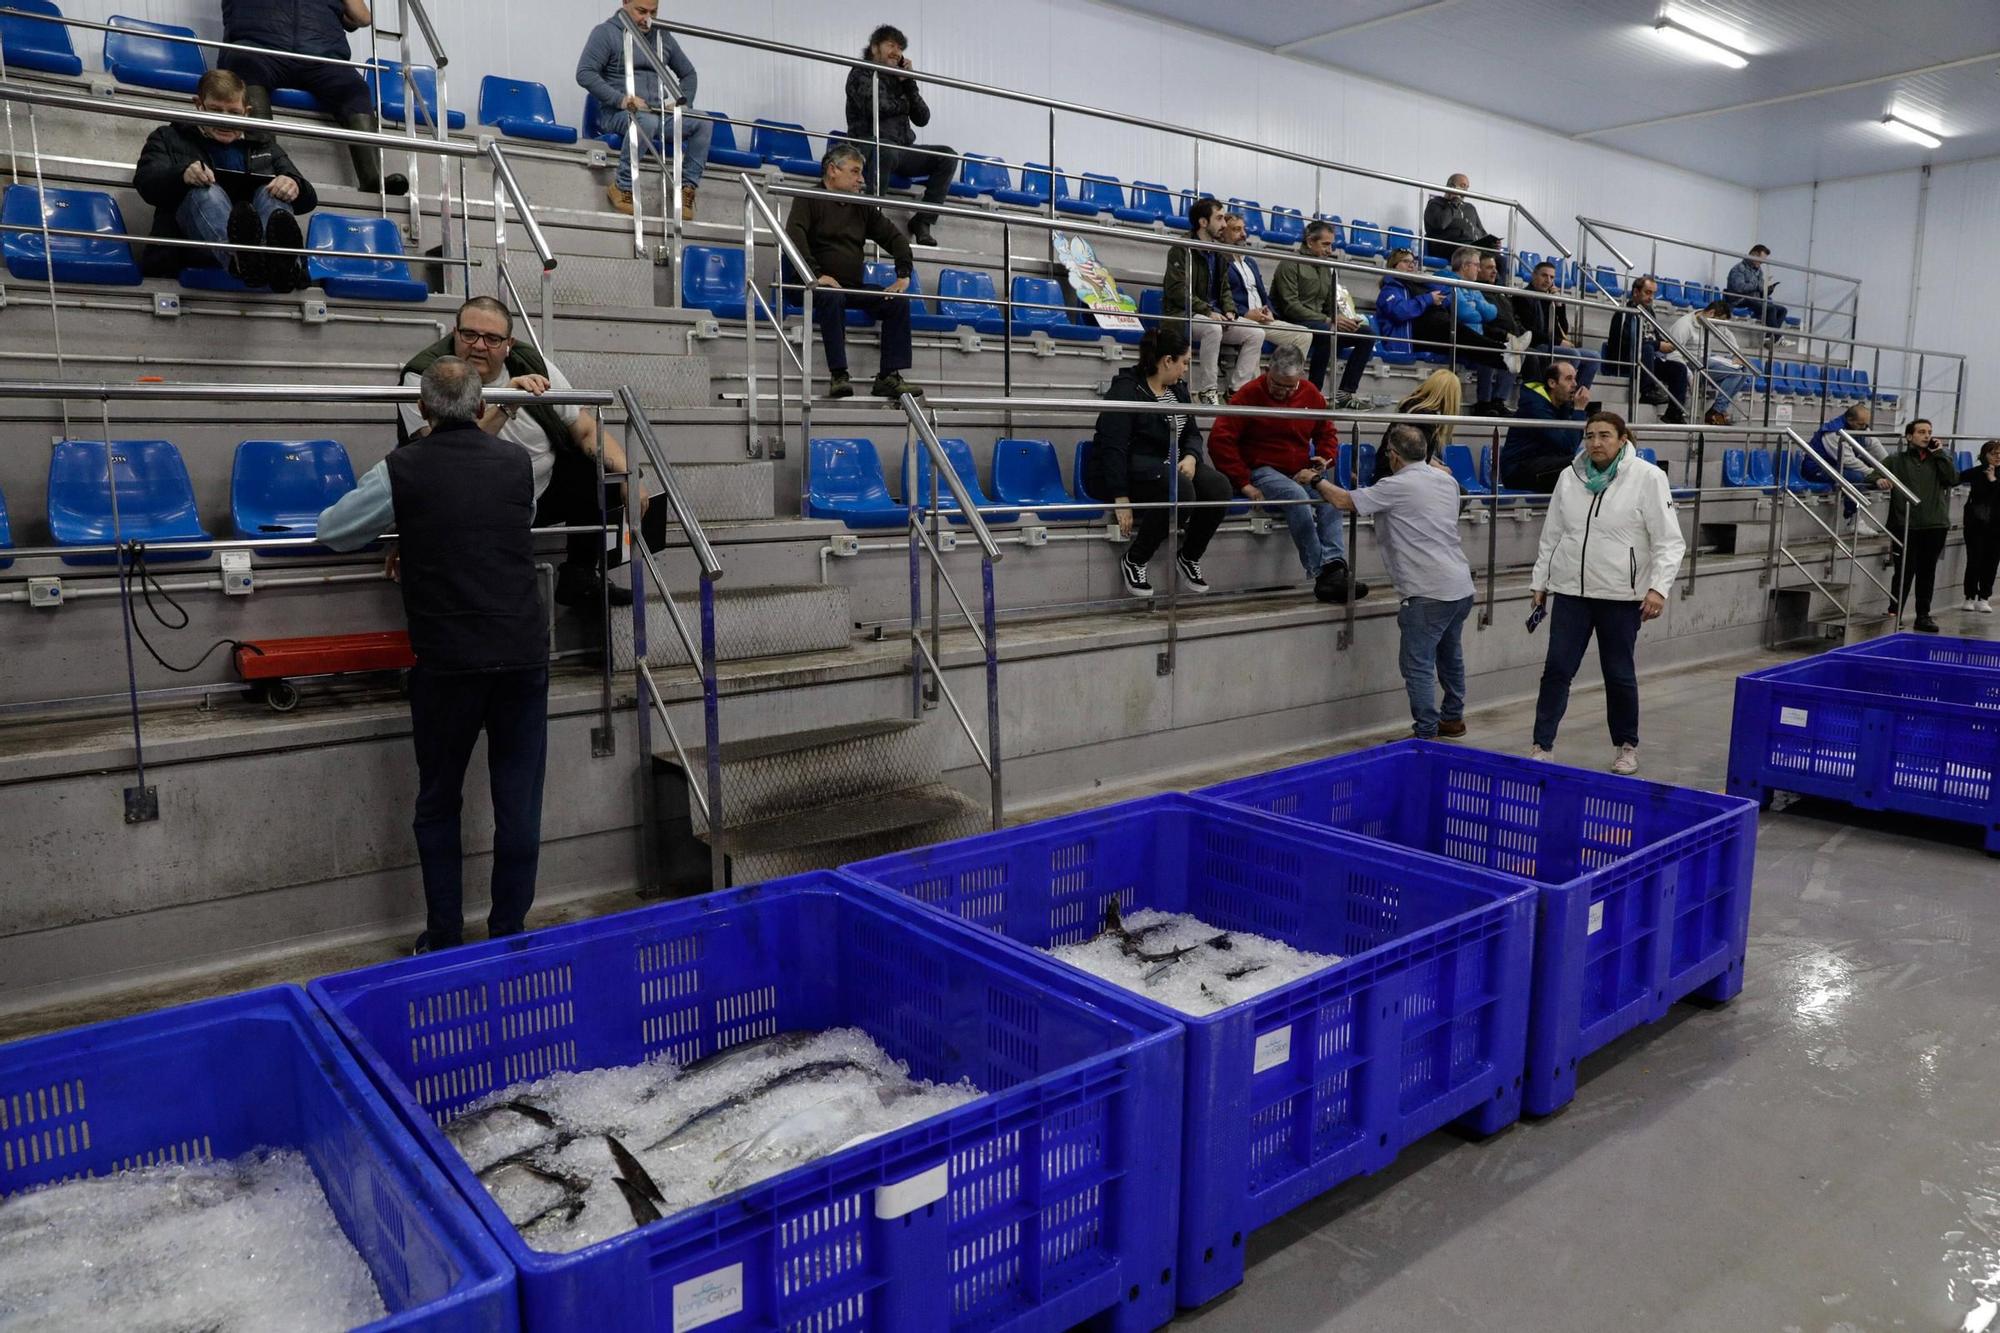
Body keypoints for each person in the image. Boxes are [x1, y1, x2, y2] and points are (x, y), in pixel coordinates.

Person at [317, 358, 549, 952]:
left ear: (421, 409)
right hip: (522, 650)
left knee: (439, 801)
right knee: (517, 804)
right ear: (479, 408)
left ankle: (444, 936)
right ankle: (509, 934)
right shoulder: (517, 462)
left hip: (448, 659)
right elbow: (500, 526)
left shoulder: (404, 467)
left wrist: (408, 535)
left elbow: (334, 530)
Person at [398, 297, 652, 610]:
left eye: (492, 339)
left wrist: (629, 473)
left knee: (600, 470)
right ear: (454, 333)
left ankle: (580, 575)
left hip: (537, 489)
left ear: (509, 344)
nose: (479, 346)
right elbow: (446, 455)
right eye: (469, 335)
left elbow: (586, 429)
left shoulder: (534, 364)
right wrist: (508, 403)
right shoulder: (425, 376)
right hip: (468, 500)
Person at [1528, 412, 1685, 774]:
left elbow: (1669, 542)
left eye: (1604, 435)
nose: (1596, 443)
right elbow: (1552, 535)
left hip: (1621, 596)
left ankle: (1627, 746)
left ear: (1622, 438)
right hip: (1571, 592)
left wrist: (1658, 589)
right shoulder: (1570, 477)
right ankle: (1541, 744)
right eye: (1589, 435)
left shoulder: (1648, 478)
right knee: (1556, 670)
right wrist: (1540, 583)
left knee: (1618, 674)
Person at [1315, 423, 1476, 739]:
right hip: (1460, 585)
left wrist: (1316, 480)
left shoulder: (1395, 485)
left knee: (1417, 665)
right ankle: (1453, 718)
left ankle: (1426, 731)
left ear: (1394, 456)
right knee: (1450, 656)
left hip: (1426, 591)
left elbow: (1344, 501)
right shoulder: (1448, 481)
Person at [1206, 344, 1368, 604]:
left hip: (1299, 468)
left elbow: (1327, 433)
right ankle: (1322, 573)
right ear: (1266, 371)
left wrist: (1325, 459)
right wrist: (1243, 482)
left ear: (1301, 377)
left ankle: (1336, 566)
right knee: (1297, 498)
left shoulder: (1310, 394)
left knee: (1329, 499)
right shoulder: (1248, 394)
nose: (1281, 392)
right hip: (1261, 469)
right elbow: (1219, 440)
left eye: (1289, 387)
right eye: (1276, 385)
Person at [1084, 326, 1232, 597]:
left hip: (1168, 466)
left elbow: (1192, 434)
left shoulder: (1179, 391)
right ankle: (1136, 559)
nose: (1186, 369)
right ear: (1167, 361)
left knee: (1219, 487)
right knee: (1183, 490)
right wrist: (1120, 497)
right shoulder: (1127, 390)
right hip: (1129, 471)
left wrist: (1191, 457)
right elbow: (1112, 447)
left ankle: (1189, 556)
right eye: (1184, 362)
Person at [134, 69, 314, 291]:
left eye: (234, 113)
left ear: (247, 112)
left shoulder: (264, 144)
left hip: (260, 245)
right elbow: (146, 182)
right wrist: (182, 175)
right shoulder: (168, 137)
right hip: (193, 246)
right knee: (205, 191)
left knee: (273, 192)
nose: (225, 121)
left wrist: (293, 184)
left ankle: (283, 265)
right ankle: (241, 259)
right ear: (198, 105)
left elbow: (308, 198)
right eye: (216, 110)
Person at [218, 0, 405, 195]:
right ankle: (266, 167)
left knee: (355, 89)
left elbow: (362, 17)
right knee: (247, 68)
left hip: (320, 53)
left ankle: (372, 178)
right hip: (260, 46)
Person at [783, 142, 923, 401]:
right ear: (833, 170)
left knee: (896, 301)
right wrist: (815, 275)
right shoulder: (808, 198)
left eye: (861, 173)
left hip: (849, 287)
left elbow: (895, 238)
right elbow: (794, 238)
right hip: (810, 285)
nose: (861, 179)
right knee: (832, 295)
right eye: (855, 171)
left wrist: (903, 274)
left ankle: (888, 377)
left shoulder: (861, 206)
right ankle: (839, 375)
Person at [577, 0, 711, 220]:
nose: (647, 18)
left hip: (657, 113)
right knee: (645, 121)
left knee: (703, 121)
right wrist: (621, 100)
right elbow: (585, 73)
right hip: (619, 114)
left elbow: (689, 74)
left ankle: (685, 189)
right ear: (625, 3)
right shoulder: (605, 33)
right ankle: (622, 186)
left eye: (653, 12)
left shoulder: (662, 36)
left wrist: (681, 103)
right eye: (641, 11)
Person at [844, 24, 952, 248]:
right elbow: (876, 108)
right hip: (867, 146)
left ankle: (923, 221)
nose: (896, 51)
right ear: (875, 48)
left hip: (900, 149)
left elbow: (923, 117)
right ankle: (872, 217)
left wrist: (909, 82)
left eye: (900, 48)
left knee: (949, 157)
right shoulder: (861, 72)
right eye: (890, 45)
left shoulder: (901, 80)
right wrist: (903, 103)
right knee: (886, 150)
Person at [1162, 197, 1262, 405]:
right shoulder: (1182, 248)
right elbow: (1177, 291)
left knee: (1256, 333)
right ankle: (1208, 390)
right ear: (1203, 222)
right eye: (1219, 219)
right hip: (1181, 315)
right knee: (1213, 328)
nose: (1224, 224)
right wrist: (1208, 310)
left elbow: (1225, 289)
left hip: (1212, 314)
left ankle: (1236, 390)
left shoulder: (1219, 252)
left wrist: (1230, 310)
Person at [1271, 219, 1376, 407]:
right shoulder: (1289, 263)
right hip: (1294, 322)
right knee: (1328, 333)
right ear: (1310, 242)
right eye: (1325, 244)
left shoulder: (1326, 268)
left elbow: (1329, 304)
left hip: (1321, 323)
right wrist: (1329, 320)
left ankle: (1345, 393)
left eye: (1331, 245)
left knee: (1367, 334)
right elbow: (1290, 306)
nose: (1330, 250)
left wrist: (1340, 318)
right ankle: (1313, 394)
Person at [1412, 247, 1524, 416]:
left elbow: (1491, 312)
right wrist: (1476, 306)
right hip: (1456, 340)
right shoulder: (1446, 280)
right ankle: (1484, 403)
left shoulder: (1473, 287)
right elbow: (1463, 311)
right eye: (1477, 265)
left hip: (1474, 338)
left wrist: (1474, 305)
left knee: (1508, 353)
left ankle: (1498, 401)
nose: (1479, 269)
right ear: (1465, 266)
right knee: (1490, 354)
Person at [1876, 418, 1960, 633]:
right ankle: (1895, 612)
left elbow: (1952, 479)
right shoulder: (1896, 460)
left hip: (1934, 524)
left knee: (1927, 571)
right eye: (1921, 432)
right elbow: (1873, 473)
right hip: (1905, 524)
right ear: (1909, 436)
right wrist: (1879, 480)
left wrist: (1940, 454)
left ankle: (1923, 615)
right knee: (1904, 571)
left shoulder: (1939, 459)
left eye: (1929, 432)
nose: (1926, 436)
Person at [1220, 211, 1312, 390]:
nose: (1243, 234)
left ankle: (1283, 381)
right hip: (1241, 317)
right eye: (1236, 230)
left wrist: (1269, 310)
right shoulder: (1220, 260)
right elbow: (1222, 295)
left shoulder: (1251, 262)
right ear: (1223, 233)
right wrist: (1246, 313)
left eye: (1243, 229)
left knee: (1304, 334)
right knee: (1256, 334)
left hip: (1262, 317)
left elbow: (1263, 293)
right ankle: (1241, 390)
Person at [1605, 277, 1689, 423]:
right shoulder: (1623, 312)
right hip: (1625, 360)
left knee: (1679, 369)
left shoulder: (1649, 312)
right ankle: (1647, 391)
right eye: (1648, 292)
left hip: (1646, 361)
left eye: (1653, 294)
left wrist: (1666, 344)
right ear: (1636, 292)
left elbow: (1654, 336)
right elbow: (1626, 341)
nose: (1651, 297)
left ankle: (1674, 413)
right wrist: (1657, 345)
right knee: (1648, 348)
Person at [1501, 360, 1594, 493]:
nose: (1574, 384)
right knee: (1579, 463)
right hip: (1518, 472)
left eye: (1575, 379)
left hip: (1542, 465)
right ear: (1552, 383)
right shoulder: (1535, 408)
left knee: (1590, 461)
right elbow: (1567, 446)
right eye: (1568, 379)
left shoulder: (1560, 406)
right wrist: (1579, 410)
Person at [1663, 298, 1751, 425]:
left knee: (1744, 369)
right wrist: (1689, 376)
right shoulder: (1684, 325)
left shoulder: (1713, 321)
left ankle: (1716, 410)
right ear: (1711, 313)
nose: (1719, 326)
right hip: (1689, 363)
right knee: (1736, 373)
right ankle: (1716, 412)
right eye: (1719, 322)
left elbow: (1727, 334)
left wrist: (1735, 354)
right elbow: (1673, 354)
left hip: (1705, 361)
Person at [1513, 260, 1600, 390]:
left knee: (1594, 357)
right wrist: (1558, 342)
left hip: (1550, 343)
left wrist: (1559, 305)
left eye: (1551, 277)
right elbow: (1529, 332)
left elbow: (1563, 329)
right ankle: (1560, 396)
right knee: (1572, 354)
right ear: (1534, 275)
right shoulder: (1522, 297)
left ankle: (1575, 397)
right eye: (1544, 275)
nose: (1548, 280)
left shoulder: (1549, 300)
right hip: (1535, 345)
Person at [1368, 369, 1460, 483]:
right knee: (1457, 490)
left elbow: (1415, 453)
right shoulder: (1426, 417)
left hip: (1389, 470)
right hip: (1398, 475)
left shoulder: (1412, 405)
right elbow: (1416, 459)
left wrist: (1437, 466)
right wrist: (1439, 469)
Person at [1422, 173, 1506, 281]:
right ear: (1450, 186)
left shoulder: (1470, 208)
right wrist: (1454, 203)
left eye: (1467, 187)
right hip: (1451, 246)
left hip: (1473, 246)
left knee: (1501, 261)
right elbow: (1441, 224)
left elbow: (1481, 232)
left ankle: (1499, 293)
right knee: (1477, 260)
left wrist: (1492, 243)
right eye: (1462, 186)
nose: (1465, 190)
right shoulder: (1435, 204)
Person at [1961, 439, 2000, 614]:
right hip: (1975, 524)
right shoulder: (1977, 472)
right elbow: (1954, 478)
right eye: (1994, 453)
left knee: (1991, 561)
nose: (1997, 457)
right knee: (1974, 560)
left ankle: (1984, 597)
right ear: (1985, 455)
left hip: (1996, 525)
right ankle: (1969, 596)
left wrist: (1993, 480)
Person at [1802, 401, 1873, 488]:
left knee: (1868, 469)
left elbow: (1874, 445)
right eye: (1861, 424)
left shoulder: (1861, 427)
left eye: (1866, 425)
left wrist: (1886, 468)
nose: (1864, 428)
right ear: (1850, 420)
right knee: (1857, 477)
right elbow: (1848, 461)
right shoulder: (1834, 432)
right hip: (1817, 469)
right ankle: (1852, 501)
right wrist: (1873, 474)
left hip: (1835, 466)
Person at [1725, 244, 1787, 332]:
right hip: (1740, 300)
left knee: (1782, 310)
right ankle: (1775, 337)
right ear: (1753, 255)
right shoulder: (1739, 269)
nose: (1761, 263)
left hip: (1754, 300)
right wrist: (1757, 285)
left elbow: (1760, 289)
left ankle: (1771, 338)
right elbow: (1739, 288)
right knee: (1771, 309)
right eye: (1760, 260)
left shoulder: (1758, 270)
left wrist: (1768, 290)